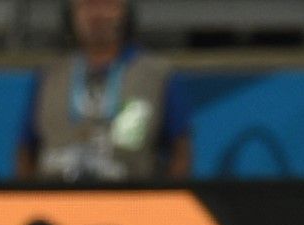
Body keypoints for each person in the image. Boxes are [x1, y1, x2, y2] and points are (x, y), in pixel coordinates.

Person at [16, 0, 192, 183]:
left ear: (125, 10)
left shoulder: (156, 75)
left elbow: (180, 152)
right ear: (71, 14)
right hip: (57, 203)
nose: (97, 16)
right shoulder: (49, 75)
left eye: (106, 4)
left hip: (132, 203)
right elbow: (26, 150)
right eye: (87, 6)